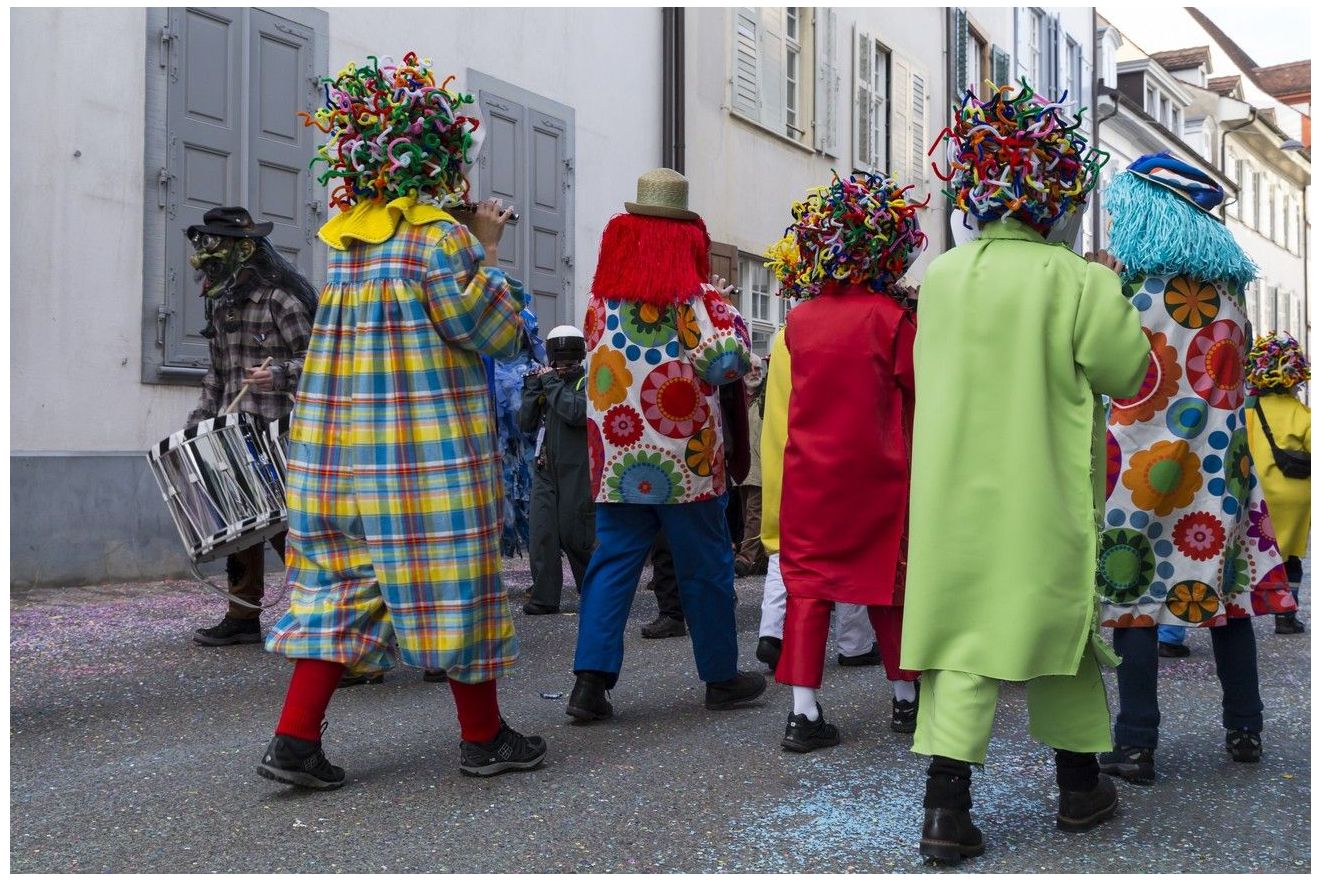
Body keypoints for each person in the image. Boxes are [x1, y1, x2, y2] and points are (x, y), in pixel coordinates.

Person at [257, 54, 545, 789]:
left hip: (339, 451)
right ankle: (483, 738)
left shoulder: (349, 248)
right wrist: (488, 248)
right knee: (454, 582)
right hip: (422, 456)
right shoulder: (439, 243)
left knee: (338, 586)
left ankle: (294, 740)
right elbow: (493, 330)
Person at [902, 82, 1151, 863]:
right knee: (1063, 633)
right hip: (1042, 492)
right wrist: (1111, 289)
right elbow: (1128, 371)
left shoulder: (942, 276)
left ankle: (947, 810)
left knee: (962, 638)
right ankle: (1079, 788)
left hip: (952, 495)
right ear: (1056, 198)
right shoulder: (1078, 281)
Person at [1097, 153, 1295, 786]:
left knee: (1135, 593)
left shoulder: (1131, 291)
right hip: (1221, 467)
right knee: (1226, 593)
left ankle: (1135, 743)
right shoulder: (1233, 293)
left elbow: (1111, 374)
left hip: (1141, 464)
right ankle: (1245, 726)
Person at [566, 167, 764, 721]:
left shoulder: (600, 303)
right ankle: (721, 677)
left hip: (618, 457)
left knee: (613, 566)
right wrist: (736, 330)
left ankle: (590, 683)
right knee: (704, 566)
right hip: (686, 459)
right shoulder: (692, 300)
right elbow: (723, 364)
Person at [762, 171, 924, 752]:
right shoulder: (892, 319)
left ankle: (803, 713)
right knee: (889, 584)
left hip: (810, 476)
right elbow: (919, 388)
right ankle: (906, 700)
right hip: (879, 476)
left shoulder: (798, 321)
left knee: (809, 591)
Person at [184, 206, 315, 648]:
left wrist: (276, 373)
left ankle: (316, 610)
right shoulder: (221, 305)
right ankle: (243, 616)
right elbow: (217, 375)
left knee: (284, 526)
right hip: (234, 432)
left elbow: (320, 363)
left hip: (280, 433)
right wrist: (198, 424)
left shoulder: (282, 301)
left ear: (244, 251)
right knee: (242, 523)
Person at [520, 325, 595, 614]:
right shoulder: (548, 382)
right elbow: (525, 423)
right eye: (559, 361)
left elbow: (576, 412)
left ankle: (594, 592)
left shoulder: (588, 381)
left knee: (577, 533)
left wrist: (551, 383)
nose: (563, 366)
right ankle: (544, 597)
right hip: (545, 469)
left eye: (569, 361)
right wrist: (531, 390)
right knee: (542, 534)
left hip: (577, 470)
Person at [1244, 333, 1310, 634]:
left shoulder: (1247, 411)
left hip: (1257, 493)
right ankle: (1286, 615)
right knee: (1291, 557)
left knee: (1253, 552)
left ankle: (1241, 609)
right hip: (1295, 497)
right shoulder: (1302, 414)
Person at [734, 354, 769, 577]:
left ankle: (746, 558)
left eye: (758, 369)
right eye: (751, 369)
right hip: (743, 468)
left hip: (760, 465)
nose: (755, 373)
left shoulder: (764, 399)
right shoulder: (738, 400)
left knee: (755, 512)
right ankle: (759, 559)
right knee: (747, 513)